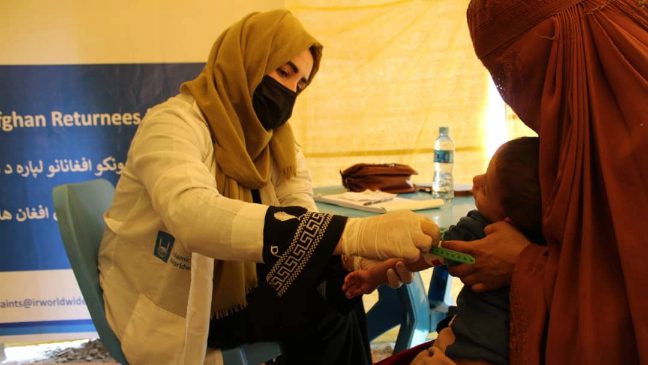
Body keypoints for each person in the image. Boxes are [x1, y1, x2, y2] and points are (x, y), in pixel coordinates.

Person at [97, 9, 440, 365]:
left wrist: (363, 262)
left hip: (236, 287)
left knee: (337, 285)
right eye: (283, 71)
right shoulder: (172, 124)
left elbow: (300, 215)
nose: (288, 91)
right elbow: (193, 216)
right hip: (176, 300)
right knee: (326, 307)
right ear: (246, 58)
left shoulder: (277, 142)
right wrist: (354, 234)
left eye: (300, 84)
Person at [439, 1, 647, 364]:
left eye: (516, 70)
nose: (517, 96)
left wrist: (526, 266)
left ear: (567, 48)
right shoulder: (583, 134)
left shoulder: (633, 143)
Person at [344, 137, 543, 365]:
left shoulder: (474, 230)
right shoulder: (550, 243)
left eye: (486, 187)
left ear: (506, 217)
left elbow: (418, 257)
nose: (475, 179)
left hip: (460, 352)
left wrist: (373, 275)